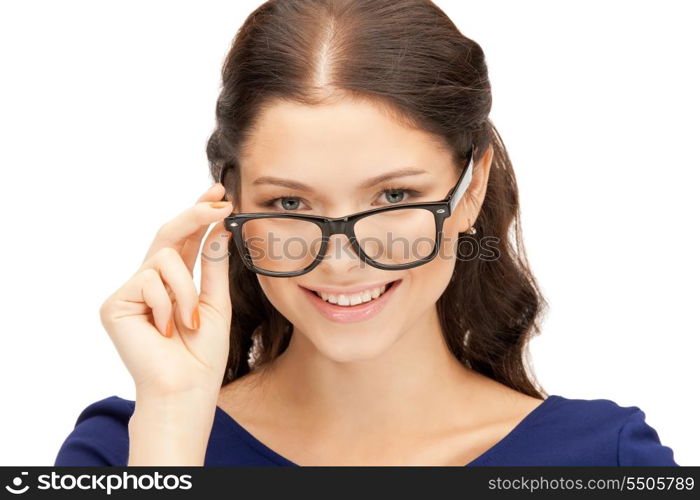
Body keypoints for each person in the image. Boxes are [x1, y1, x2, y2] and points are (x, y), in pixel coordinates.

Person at [54, 0, 677, 466]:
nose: (343, 260)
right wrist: (171, 428)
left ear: (472, 187)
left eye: (395, 196)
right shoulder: (126, 451)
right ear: (231, 203)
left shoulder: (602, 461)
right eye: (290, 201)